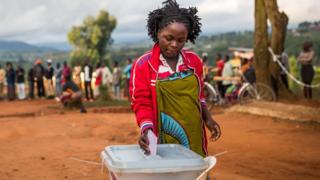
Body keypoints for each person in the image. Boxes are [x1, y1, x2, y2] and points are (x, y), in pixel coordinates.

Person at [130, 0, 221, 158]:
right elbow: (141, 101)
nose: (174, 44)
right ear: (158, 32)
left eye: (181, 40)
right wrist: (147, 129)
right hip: (162, 137)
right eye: (168, 38)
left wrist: (208, 118)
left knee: (194, 169)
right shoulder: (143, 65)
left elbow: (198, 96)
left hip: (193, 132)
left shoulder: (193, 62)